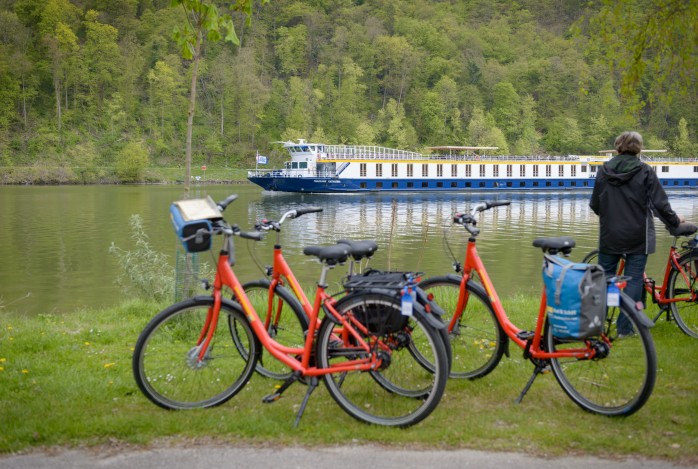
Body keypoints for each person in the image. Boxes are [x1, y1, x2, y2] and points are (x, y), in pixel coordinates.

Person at [590, 131, 687, 336]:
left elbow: (595, 204)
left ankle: (601, 325)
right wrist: (675, 221)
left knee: (607, 278)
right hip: (637, 235)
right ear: (639, 148)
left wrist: (609, 217)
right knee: (633, 280)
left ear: (617, 146)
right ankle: (625, 328)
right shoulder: (645, 171)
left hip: (610, 235)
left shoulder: (603, 171)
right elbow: (660, 204)